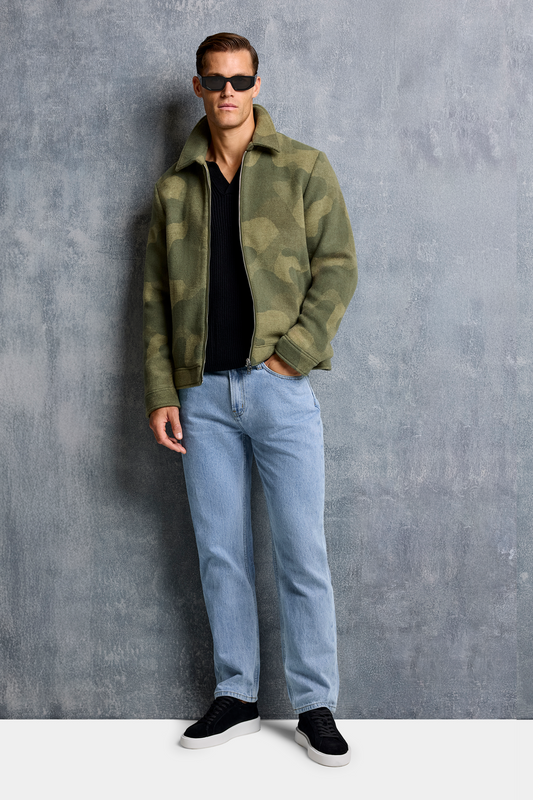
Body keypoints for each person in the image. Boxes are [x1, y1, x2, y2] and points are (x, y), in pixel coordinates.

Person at [143, 32, 357, 767]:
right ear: (198, 88)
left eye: (239, 80)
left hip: (278, 391)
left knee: (301, 552)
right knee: (220, 553)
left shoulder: (302, 167)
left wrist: (292, 356)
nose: (227, 92)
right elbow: (153, 299)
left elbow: (338, 266)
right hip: (200, 394)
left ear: (256, 85)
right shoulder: (175, 188)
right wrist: (163, 389)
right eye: (215, 81)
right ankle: (236, 695)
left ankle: (315, 704)